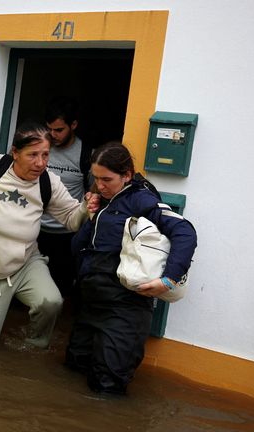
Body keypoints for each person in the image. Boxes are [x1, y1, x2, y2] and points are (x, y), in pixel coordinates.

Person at [65, 142, 197, 394]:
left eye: (107, 179)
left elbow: (184, 231)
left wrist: (169, 280)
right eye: (96, 178)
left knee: (107, 387)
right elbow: (78, 247)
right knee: (73, 369)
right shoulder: (104, 201)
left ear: (126, 175)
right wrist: (92, 216)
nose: (100, 185)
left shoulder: (141, 200)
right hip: (91, 304)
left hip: (125, 309)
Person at [0, 121, 98, 349]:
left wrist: (86, 206)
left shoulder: (47, 182)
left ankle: (32, 345)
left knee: (50, 302)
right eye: (32, 155)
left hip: (25, 264)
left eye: (45, 155)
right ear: (15, 153)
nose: (40, 163)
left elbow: (72, 218)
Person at [38, 96, 93, 299]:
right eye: (49, 129)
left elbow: (93, 191)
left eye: (59, 130)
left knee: (59, 290)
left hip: (67, 234)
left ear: (74, 125)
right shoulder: (40, 148)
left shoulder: (86, 154)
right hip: (35, 229)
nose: (53, 135)